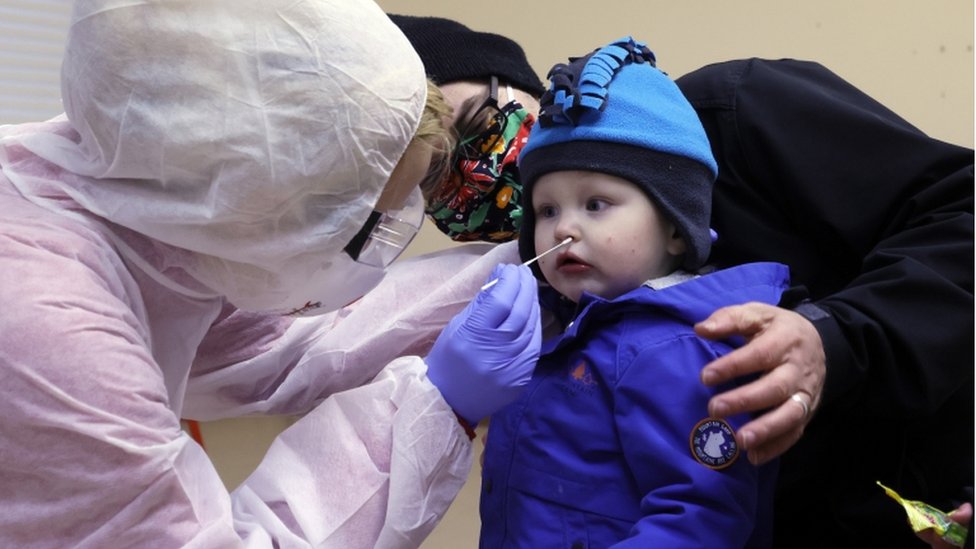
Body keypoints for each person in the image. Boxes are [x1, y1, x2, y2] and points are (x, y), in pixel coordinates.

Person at [389, 14, 973, 548]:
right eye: (433, 177)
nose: (477, 169)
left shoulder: (735, 115)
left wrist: (834, 338)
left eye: (474, 124)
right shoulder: (529, 292)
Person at [0, 1, 544, 547]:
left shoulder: (159, 211)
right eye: (360, 224)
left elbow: (282, 350)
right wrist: (435, 405)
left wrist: (509, 274)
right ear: (274, 186)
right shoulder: (46, 322)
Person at [479, 37, 789, 547]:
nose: (563, 230)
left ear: (674, 228)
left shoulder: (680, 351)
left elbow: (698, 517)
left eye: (596, 204)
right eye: (547, 210)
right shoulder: (560, 330)